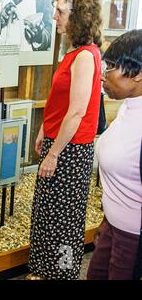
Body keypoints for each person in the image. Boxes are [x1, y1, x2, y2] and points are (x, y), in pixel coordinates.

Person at [27, 0, 103, 280]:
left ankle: (61, 274)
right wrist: (45, 129)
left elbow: (77, 112)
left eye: (60, 11)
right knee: (46, 217)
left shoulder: (85, 55)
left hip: (70, 152)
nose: (54, 16)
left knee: (65, 225)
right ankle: (45, 271)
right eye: (55, 9)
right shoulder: (71, 50)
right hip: (58, 144)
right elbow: (61, 99)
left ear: (79, 17)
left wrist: (54, 153)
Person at [86, 30, 142, 280]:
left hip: (132, 238)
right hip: (113, 225)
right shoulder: (128, 108)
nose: (103, 76)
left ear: (138, 74)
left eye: (110, 68)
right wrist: (106, 220)